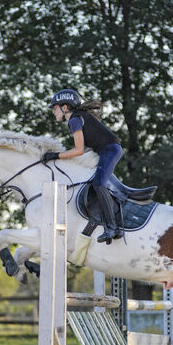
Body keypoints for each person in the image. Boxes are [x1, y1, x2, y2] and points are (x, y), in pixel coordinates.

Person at [43, 88, 124, 244]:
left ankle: (113, 227)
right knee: (96, 183)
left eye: (55, 108)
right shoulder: (79, 117)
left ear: (64, 108)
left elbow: (79, 150)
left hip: (109, 150)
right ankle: (112, 225)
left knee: (99, 184)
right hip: (109, 149)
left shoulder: (74, 120)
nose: (54, 112)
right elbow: (86, 148)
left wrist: (56, 155)